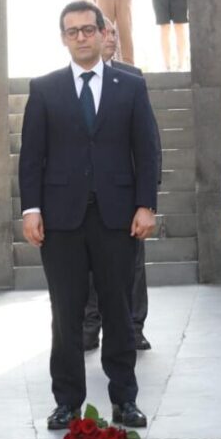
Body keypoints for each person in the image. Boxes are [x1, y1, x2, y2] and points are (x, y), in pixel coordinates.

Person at [19, 1, 159, 431]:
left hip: (118, 217)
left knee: (118, 310)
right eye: (72, 31)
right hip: (61, 219)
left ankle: (125, 400)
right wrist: (31, 209)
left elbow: (147, 149)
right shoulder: (44, 88)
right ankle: (67, 403)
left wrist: (146, 204)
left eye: (87, 29)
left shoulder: (130, 86)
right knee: (65, 314)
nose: (81, 37)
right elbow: (32, 157)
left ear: (102, 34)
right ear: (64, 38)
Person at [82, 21, 153, 352]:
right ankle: (88, 325)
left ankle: (134, 326)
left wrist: (146, 199)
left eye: (113, 32)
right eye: (104, 32)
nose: (110, 38)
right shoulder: (63, 82)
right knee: (86, 267)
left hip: (124, 194)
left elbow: (147, 140)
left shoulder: (132, 78)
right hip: (81, 196)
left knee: (132, 266)